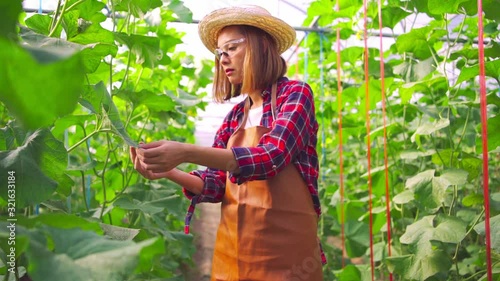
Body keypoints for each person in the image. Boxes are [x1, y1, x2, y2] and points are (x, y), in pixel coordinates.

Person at [130, 5, 325, 281]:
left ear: (260, 46)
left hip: (288, 259)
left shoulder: (294, 94)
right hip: (233, 254)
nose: (223, 59)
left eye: (231, 48)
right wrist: (168, 171)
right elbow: (216, 185)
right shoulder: (235, 118)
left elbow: (272, 156)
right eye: (220, 52)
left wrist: (185, 152)